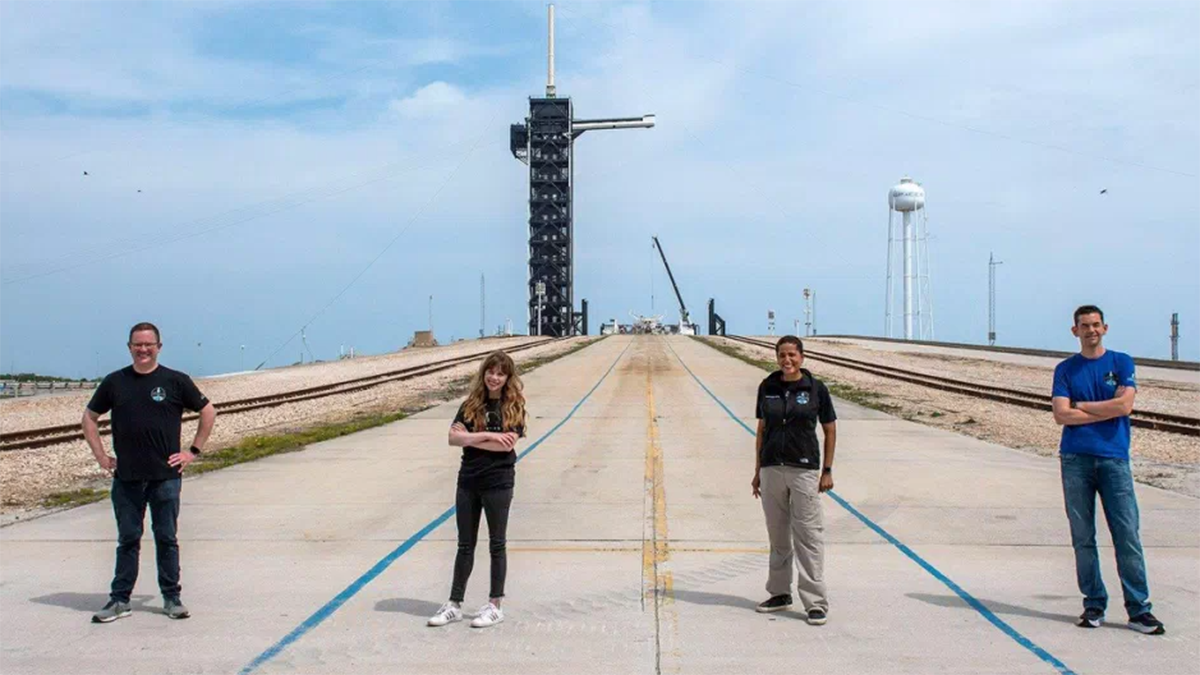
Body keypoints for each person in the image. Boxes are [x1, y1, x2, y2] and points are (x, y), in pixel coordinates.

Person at [83, 322, 216, 623]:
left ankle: (172, 598)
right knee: (128, 539)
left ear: (159, 347)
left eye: (148, 344)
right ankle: (120, 600)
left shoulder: (175, 381)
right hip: (127, 478)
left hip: (165, 478)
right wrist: (101, 455)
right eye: (138, 344)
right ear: (129, 347)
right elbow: (89, 417)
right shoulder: (115, 382)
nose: (143, 349)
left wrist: (192, 451)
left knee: (166, 537)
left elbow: (208, 411)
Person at [1052, 305, 1165, 634]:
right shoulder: (1066, 370)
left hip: (1114, 459)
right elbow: (1061, 415)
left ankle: (1139, 609)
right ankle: (1094, 604)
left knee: (1127, 535)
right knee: (1083, 536)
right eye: (1085, 325)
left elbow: (1125, 406)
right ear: (1075, 331)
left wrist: (1082, 405)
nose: (1091, 330)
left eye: (1096, 324)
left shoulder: (1121, 362)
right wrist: (1108, 408)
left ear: (1105, 328)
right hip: (1076, 459)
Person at [428, 350, 527, 629]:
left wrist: (470, 437)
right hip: (468, 481)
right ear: (483, 373)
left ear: (508, 378)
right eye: (490, 372)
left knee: (497, 544)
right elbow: (452, 438)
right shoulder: (470, 404)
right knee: (465, 544)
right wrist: (488, 435)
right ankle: (454, 604)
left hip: (498, 482)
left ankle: (495, 605)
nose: (494, 378)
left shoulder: (514, 407)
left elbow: (506, 446)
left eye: (500, 374)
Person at [751, 335, 837, 625]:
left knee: (808, 536)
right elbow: (762, 430)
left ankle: (815, 602)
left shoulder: (815, 389)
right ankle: (779, 593)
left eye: (792, 355)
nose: (787, 360)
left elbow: (829, 429)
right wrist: (757, 471)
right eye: (782, 355)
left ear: (802, 357)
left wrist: (827, 470)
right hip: (771, 469)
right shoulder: (767, 387)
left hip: (804, 470)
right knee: (778, 536)